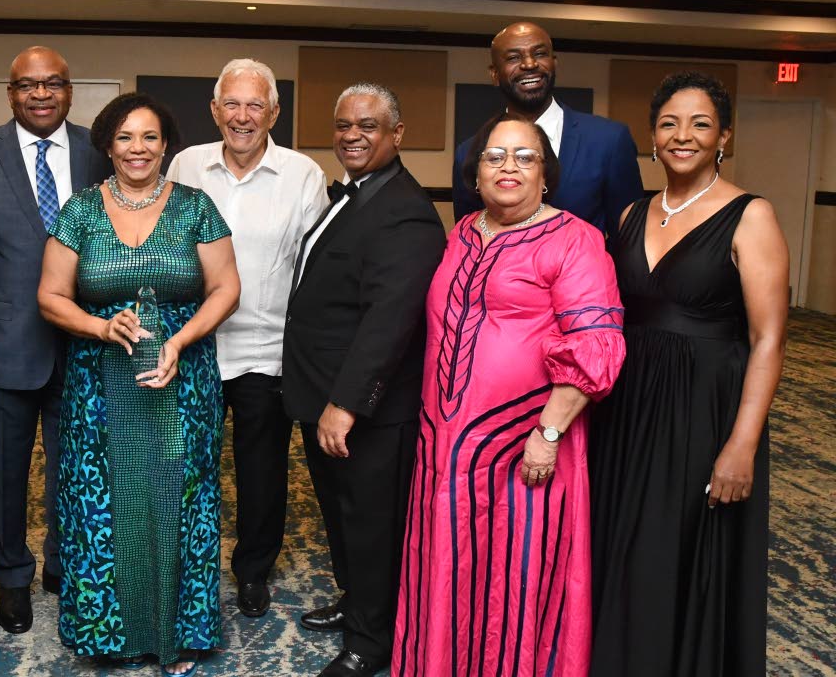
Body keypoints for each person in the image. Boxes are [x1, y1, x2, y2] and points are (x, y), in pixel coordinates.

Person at [392, 115, 626, 677]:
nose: (509, 168)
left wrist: (548, 434)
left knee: (514, 576)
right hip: (446, 444)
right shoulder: (464, 231)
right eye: (495, 156)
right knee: (445, 565)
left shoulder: (576, 240)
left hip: (522, 446)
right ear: (475, 174)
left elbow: (598, 345)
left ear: (547, 174)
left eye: (525, 156)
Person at [589, 72, 787, 677]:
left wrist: (742, 445)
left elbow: (769, 338)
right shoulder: (629, 212)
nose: (683, 136)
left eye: (700, 124)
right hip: (626, 409)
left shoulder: (751, 215)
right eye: (670, 123)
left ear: (723, 136)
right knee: (618, 542)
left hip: (703, 410)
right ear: (653, 136)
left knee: (673, 550)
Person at [38, 92, 240, 676]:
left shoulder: (196, 207)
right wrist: (101, 326)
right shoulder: (79, 210)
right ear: (107, 143)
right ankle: (111, 633)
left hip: (185, 381)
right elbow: (49, 296)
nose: (138, 149)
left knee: (180, 496)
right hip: (99, 386)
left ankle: (180, 632)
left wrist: (178, 341)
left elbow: (226, 287)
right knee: (102, 501)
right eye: (125, 137)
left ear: (166, 144)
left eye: (149, 137)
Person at [283, 83, 445, 677]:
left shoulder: (403, 210)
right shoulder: (355, 196)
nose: (352, 134)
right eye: (344, 124)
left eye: (368, 125)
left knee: (372, 525)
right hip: (323, 392)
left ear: (396, 135)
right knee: (341, 513)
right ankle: (358, 604)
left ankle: (372, 643)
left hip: (364, 409)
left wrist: (345, 405)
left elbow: (390, 321)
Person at [166, 58, 328, 618]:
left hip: (266, 349)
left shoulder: (303, 174)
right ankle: (187, 567)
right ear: (213, 111)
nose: (241, 116)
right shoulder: (185, 165)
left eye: (254, 105)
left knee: (262, 473)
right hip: (192, 348)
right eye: (230, 104)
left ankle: (253, 571)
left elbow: (315, 266)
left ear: (274, 112)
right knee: (188, 464)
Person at [0, 46, 110, 633]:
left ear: (70, 92)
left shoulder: (100, 151)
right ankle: (12, 575)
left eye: (53, 84)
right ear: (10, 93)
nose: (41, 94)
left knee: (76, 464)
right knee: (6, 469)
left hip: (86, 340)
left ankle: (62, 562)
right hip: (7, 340)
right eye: (28, 85)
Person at [451, 21, 644, 240]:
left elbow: (629, 240)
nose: (530, 64)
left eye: (540, 54)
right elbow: (469, 241)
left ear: (554, 63)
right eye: (514, 58)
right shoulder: (468, 152)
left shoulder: (608, 141)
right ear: (494, 74)